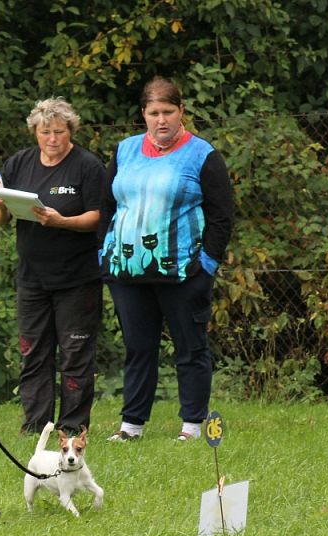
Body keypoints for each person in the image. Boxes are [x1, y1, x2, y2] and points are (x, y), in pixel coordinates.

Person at [98, 77, 234, 442]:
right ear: (143, 114)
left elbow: (222, 216)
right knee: (138, 349)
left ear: (181, 112)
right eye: (154, 112)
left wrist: (206, 265)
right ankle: (131, 426)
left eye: (168, 112)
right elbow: (107, 206)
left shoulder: (202, 154)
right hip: (128, 272)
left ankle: (192, 425)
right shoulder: (124, 150)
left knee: (190, 348)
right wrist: (104, 253)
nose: (161, 120)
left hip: (183, 272)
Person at [0, 98, 105, 435]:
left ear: (71, 131)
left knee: (75, 353)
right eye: (45, 132)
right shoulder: (18, 164)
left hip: (77, 278)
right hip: (32, 278)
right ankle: (36, 424)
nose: (52, 139)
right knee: (34, 353)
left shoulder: (87, 166)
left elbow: (99, 217)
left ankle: (72, 427)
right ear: (35, 133)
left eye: (59, 132)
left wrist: (62, 221)